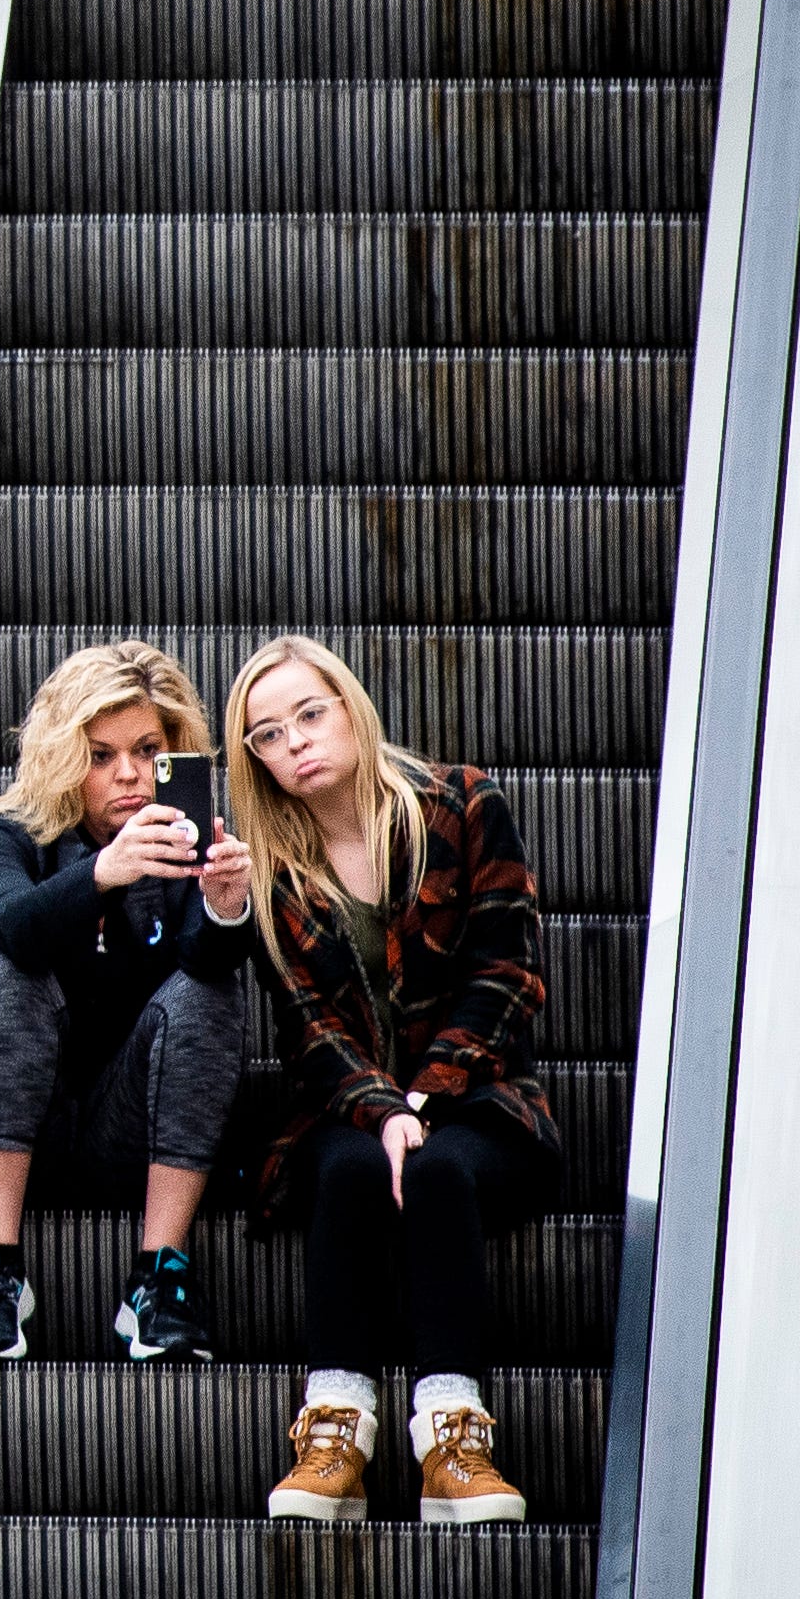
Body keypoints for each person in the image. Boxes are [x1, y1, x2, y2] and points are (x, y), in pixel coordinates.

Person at [223, 635, 559, 1525]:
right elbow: (307, 1026)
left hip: (482, 1097)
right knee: (348, 1171)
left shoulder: (460, 803)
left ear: (347, 706)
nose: (293, 740)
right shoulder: (270, 866)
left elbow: (507, 973)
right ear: (252, 757)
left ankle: (454, 1436)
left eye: (307, 712)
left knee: (442, 1169)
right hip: (345, 1109)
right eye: (265, 733)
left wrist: (426, 1097)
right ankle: (334, 1426)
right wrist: (380, 1110)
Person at [0, 640, 256, 1363]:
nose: (129, 774)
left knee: (210, 987)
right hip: (5, 1125)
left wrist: (223, 908)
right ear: (61, 760)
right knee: (3, 972)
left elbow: (201, 984)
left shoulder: (186, 849)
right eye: (100, 755)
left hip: (127, 1130)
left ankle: (158, 1278)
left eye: (146, 749)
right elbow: (18, 927)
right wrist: (104, 873)